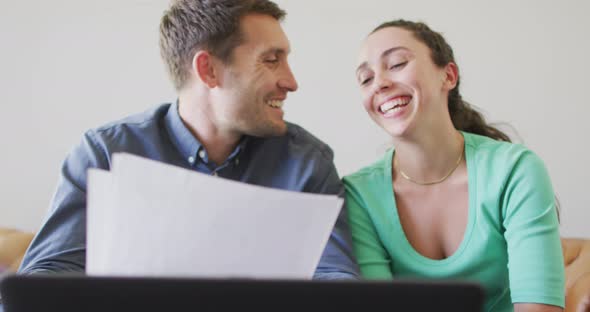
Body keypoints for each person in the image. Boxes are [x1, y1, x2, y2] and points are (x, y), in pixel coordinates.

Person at [17, 0, 359, 280]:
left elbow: (335, 277)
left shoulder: (307, 162)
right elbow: (44, 279)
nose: (291, 81)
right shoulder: (106, 154)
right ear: (208, 70)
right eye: (271, 60)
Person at [344, 19, 564, 311]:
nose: (380, 83)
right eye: (365, 79)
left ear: (448, 76)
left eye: (396, 64)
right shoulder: (359, 195)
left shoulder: (515, 170)